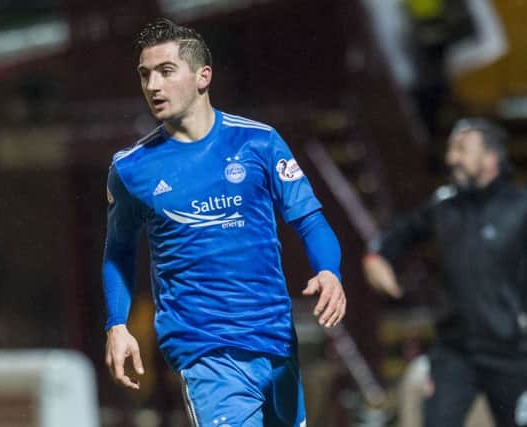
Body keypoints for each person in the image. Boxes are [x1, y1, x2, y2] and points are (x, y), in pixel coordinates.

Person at [102, 18, 346, 427]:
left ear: (203, 76)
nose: (153, 86)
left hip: (277, 343)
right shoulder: (131, 169)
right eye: (145, 75)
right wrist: (116, 324)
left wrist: (329, 271)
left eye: (165, 71)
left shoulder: (259, 142)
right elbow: (119, 250)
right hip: (207, 352)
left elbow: (309, 220)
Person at [363, 117, 527, 427]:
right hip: (455, 352)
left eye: (462, 149)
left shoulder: (520, 207)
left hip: (511, 353)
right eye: (451, 149)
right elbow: (400, 233)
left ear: (491, 158)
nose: (452, 158)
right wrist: (376, 257)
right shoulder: (444, 205)